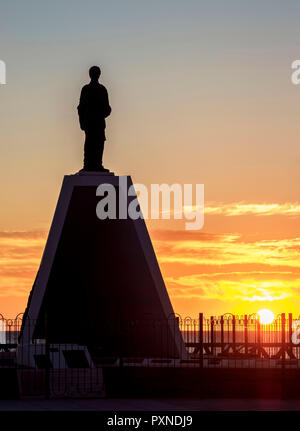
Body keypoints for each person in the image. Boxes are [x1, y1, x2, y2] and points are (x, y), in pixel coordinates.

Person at [77, 66, 111, 171]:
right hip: (90, 123)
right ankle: (87, 165)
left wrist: (101, 114)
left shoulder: (102, 89)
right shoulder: (86, 89)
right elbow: (81, 107)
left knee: (98, 143)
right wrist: (82, 122)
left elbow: (107, 108)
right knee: (90, 143)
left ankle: (97, 165)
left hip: (98, 123)